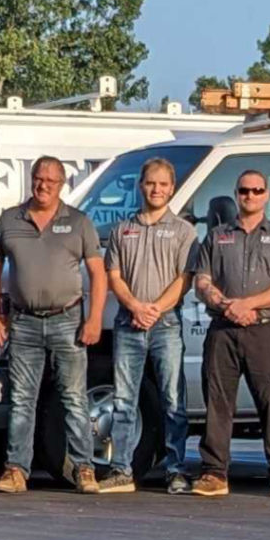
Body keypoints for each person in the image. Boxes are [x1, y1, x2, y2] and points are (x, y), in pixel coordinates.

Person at [0, 156, 107, 493]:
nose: (43, 186)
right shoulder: (10, 220)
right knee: (22, 399)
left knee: (74, 398)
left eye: (51, 181)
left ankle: (83, 467)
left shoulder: (79, 222)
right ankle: (15, 470)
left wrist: (94, 318)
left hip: (67, 320)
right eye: (38, 179)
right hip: (22, 322)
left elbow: (98, 273)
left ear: (61, 184)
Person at [189, 171, 270, 498]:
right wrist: (225, 305)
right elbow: (202, 281)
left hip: (263, 329)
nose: (250, 196)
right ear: (236, 194)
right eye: (244, 191)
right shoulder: (216, 236)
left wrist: (248, 304)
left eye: (257, 190)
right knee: (218, 403)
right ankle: (214, 473)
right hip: (223, 328)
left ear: (267, 195)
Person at [102, 156, 197, 494]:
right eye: (150, 183)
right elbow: (114, 275)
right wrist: (135, 307)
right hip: (129, 324)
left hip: (166, 324)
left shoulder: (185, 232)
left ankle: (176, 470)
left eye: (163, 184)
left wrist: (154, 309)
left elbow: (183, 279)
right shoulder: (121, 230)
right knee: (124, 401)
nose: (156, 189)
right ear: (140, 186)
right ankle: (120, 471)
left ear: (172, 188)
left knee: (173, 400)